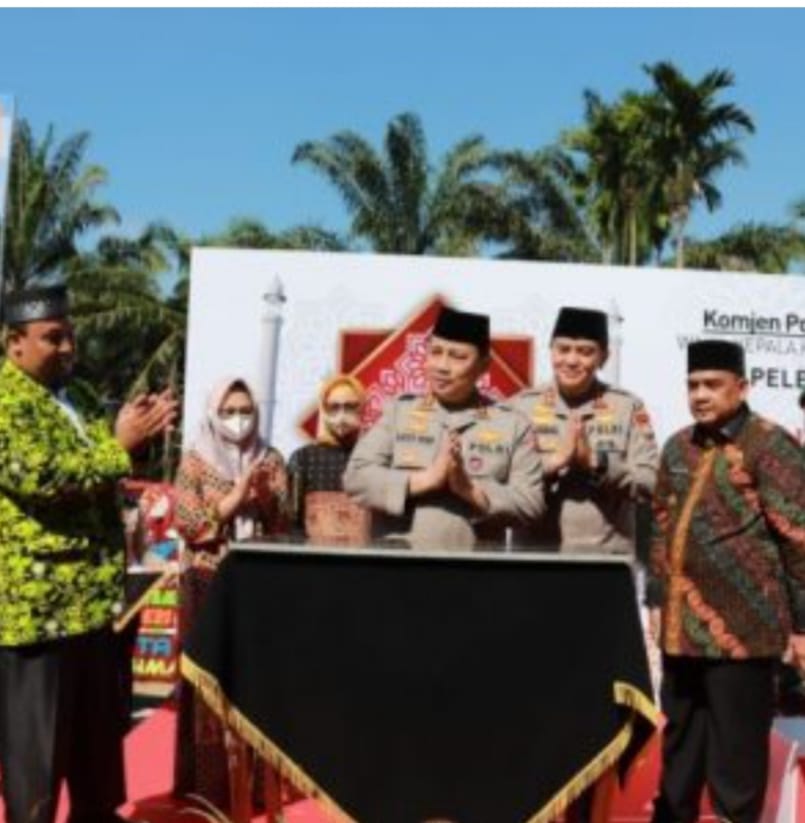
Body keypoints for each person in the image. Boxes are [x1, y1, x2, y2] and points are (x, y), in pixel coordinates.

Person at [0, 284, 177, 823]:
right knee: (38, 772)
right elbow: (41, 477)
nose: (68, 347)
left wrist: (130, 434)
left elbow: (98, 467)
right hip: (39, 617)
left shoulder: (71, 398)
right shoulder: (6, 401)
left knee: (96, 759)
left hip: (93, 609)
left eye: (70, 335)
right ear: (13, 343)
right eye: (53, 337)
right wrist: (119, 446)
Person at [646, 339, 805, 823]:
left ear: (742, 387)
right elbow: (661, 525)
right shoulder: (678, 446)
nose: (700, 395)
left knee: (735, 763)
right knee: (679, 753)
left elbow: (798, 540)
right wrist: (656, 598)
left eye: (712, 385)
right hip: (682, 631)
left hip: (744, 634)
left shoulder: (770, 444)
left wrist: (802, 627)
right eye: (693, 385)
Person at [173, 376, 288, 810]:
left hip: (258, 585)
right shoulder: (194, 461)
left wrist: (265, 499)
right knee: (210, 679)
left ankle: (258, 788)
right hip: (207, 582)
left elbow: (284, 524)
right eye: (228, 411)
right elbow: (188, 524)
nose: (238, 419)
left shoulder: (271, 458)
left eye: (245, 411)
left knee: (254, 682)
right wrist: (233, 499)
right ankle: (210, 785)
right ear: (213, 414)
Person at [343, 306, 544, 550]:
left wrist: (470, 491)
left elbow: (531, 503)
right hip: (399, 563)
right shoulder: (399, 412)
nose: (442, 366)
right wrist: (425, 480)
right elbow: (356, 477)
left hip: (474, 565)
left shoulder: (512, 425)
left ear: (484, 366)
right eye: (435, 352)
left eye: (458, 357)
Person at [511, 306, 659, 554]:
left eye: (585, 352)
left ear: (604, 357)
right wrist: (551, 464)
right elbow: (501, 483)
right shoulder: (521, 407)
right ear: (551, 351)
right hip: (536, 559)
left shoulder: (627, 407)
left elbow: (651, 481)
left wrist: (596, 462)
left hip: (606, 560)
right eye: (563, 349)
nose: (571, 361)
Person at [287, 374, 370, 544]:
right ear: (324, 410)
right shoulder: (303, 459)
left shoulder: (374, 457)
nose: (342, 414)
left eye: (350, 406)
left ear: (362, 408)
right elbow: (292, 523)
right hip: (315, 557)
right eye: (334, 407)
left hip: (363, 557)